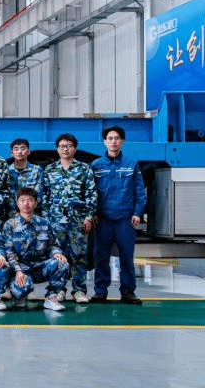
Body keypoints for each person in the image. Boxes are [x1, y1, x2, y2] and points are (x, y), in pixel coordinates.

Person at [91, 125, 147, 305]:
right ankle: (100, 292)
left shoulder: (131, 164)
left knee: (126, 258)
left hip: (125, 220)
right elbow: (90, 192)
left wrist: (137, 213)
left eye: (117, 138)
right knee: (101, 258)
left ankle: (128, 292)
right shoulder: (96, 165)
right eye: (110, 138)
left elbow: (140, 191)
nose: (113, 141)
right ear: (104, 141)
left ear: (122, 141)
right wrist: (93, 213)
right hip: (103, 220)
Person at [40, 133, 97, 304]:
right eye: (62, 146)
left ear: (75, 149)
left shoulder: (84, 169)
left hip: (77, 222)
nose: (65, 149)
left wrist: (88, 216)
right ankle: (58, 290)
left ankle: (79, 290)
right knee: (58, 257)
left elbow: (91, 194)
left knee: (79, 257)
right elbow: (45, 196)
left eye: (69, 146)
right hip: (56, 222)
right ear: (57, 149)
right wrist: (46, 220)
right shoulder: (50, 170)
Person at [2, 187, 67, 311]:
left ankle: (51, 298)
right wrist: (17, 270)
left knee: (62, 263)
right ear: (17, 203)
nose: (26, 204)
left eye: (30, 200)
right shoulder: (10, 224)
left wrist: (56, 253)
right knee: (20, 292)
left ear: (36, 203)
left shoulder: (44, 223)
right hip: (21, 269)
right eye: (22, 200)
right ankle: (18, 294)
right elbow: (9, 251)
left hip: (39, 267)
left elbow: (53, 245)